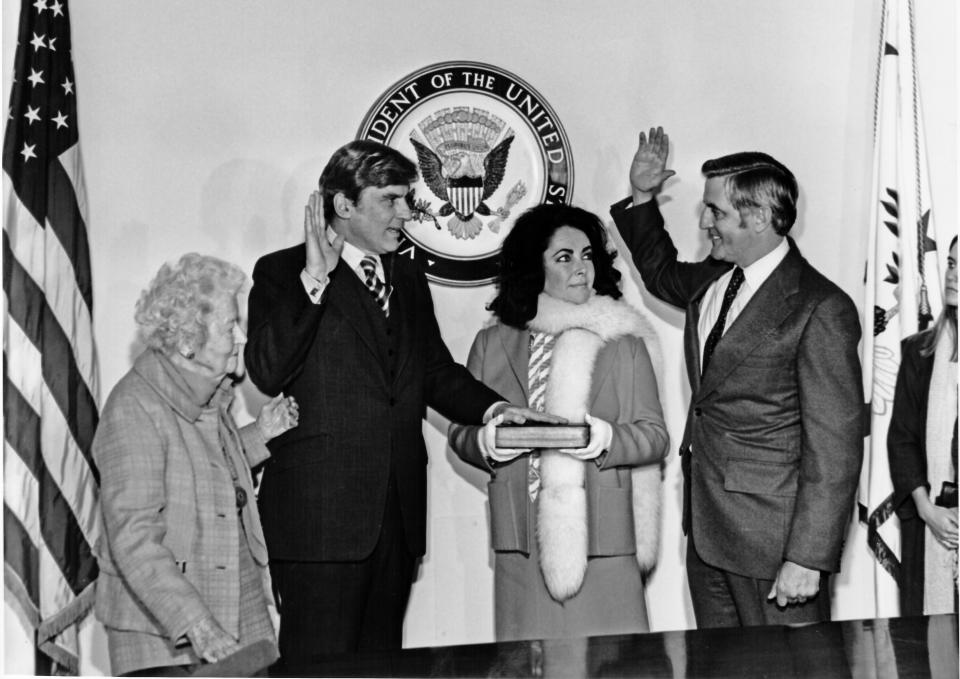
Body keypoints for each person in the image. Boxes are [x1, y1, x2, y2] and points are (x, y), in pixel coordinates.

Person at [244, 139, 555, 667]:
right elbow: (266, 370)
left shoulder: (407, 277)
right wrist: (315, 280)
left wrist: (495, 410)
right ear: (343, 205)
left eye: (406, 198)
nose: (407, 212)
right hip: (318, 525)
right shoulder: (281, 273)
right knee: (315, 671)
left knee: (383, 668)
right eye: (391, 199)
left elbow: (432, 371)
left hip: (396, 518)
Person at [611, 127, 863, 628]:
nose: (705, 222)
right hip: (708, 533)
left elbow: (835, 448)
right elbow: (661, 275)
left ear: (763, 217)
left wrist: (808, 556)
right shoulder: (714, 279)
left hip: (776, 544)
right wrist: (642, 197)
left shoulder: (820, 307)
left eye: (716, 212)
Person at [448, 203, 668, 641]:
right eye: (564, 257)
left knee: (618, 672)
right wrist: (491, 440)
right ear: (535, 268)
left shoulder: (623, 343)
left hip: (604, 538)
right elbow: (460, 434)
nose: (582, 268)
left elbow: (654, 437)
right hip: (521, 540)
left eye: (588, 255)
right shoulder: (492, 343)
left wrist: (602, 438)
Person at [94, 254, 299, 676]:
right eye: (229, 326)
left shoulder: (206, 396)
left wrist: (259, 434)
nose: (241, 337)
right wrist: (196, 625)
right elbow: (134, 537)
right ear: (188, 342)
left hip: (237, 614)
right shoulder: (134, 408)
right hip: (165, 638)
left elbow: (201, 471)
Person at [888, 235, 958, 616]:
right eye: (950, 263)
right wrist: (927, 509)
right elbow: (902, 440)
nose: (953, 274)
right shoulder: (919, 351)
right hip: (930, 518)